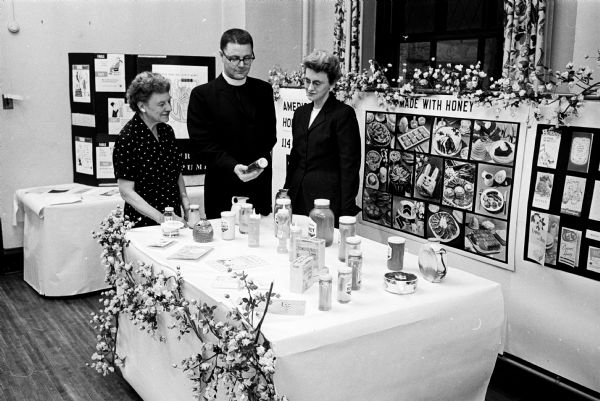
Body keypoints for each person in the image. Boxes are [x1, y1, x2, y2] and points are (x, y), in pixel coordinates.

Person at [187, 28, 276, 218]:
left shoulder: (263, 91)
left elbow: (270, 137)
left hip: (258, 186)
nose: (242, 64)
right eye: (234, 58)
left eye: (247, 58)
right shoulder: (203, 95)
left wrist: (256, 165)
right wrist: (234, 166)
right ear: (221, 55)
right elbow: (202, 144)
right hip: (222, 188)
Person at [284, 50, 361, 222]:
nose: (310, 88)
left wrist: (346, 212)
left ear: (332, 84)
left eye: (317, 83)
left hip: (326, 202)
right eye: (307, 81)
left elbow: (350, 167)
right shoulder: (300, 113)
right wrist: (286, 193)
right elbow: (295, 158)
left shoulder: (343, 115)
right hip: (297, 196)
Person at [113, 71, 189, 227]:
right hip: (145, 222)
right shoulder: (128, 138)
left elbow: (177, 173)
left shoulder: (167, 131)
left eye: (169, 101)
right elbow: (126, 192)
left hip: (173, 218)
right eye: (161, 104)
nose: (169, 108)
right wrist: (162, 219)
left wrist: (186, 204)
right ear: (142, 106)